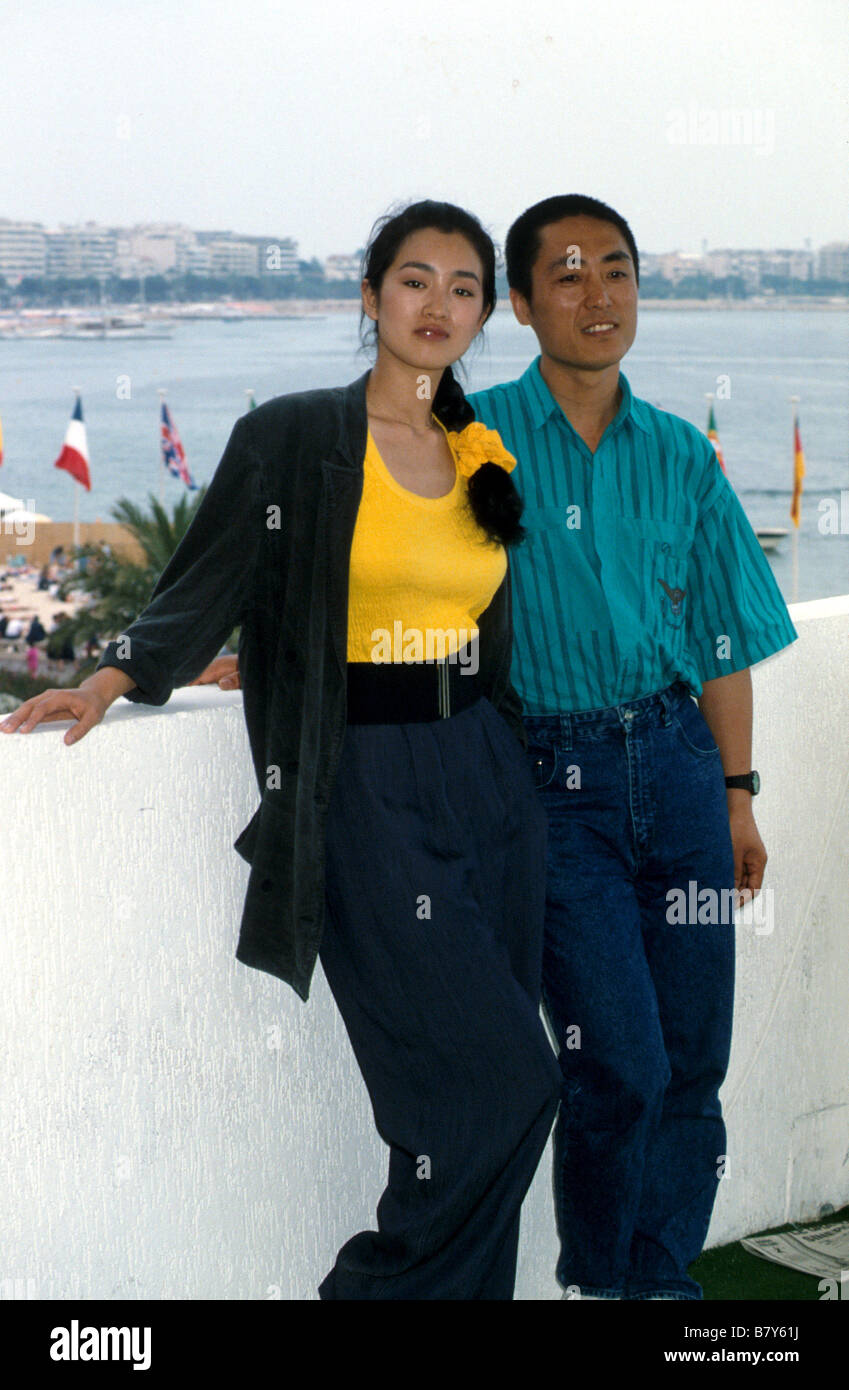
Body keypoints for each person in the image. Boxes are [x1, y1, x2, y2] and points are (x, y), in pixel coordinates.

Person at [0, 200, 561, 1301]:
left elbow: (473, 623)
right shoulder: (297, 435)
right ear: (369, 295)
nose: (438, 303)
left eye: (463, 287)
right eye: (414, 279)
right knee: (504, 1085)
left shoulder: (478, 446)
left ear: (486, 310)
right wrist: (114, 675)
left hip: (487, 774)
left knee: (458, 1105)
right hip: (364, 780)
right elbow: (205, 575)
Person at [464, 194, 798, 1301]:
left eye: (616, 269)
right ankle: (599, 1284)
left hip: (682, 768)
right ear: (519, 302)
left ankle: (663, 1286)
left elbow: (721, 640)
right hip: (553, 785)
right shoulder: (478, 443)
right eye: (566, 273)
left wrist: (739, 792)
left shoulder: (682, 458)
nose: (597, 294)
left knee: (695, 1059)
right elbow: (398, 584)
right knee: (618, 1058)